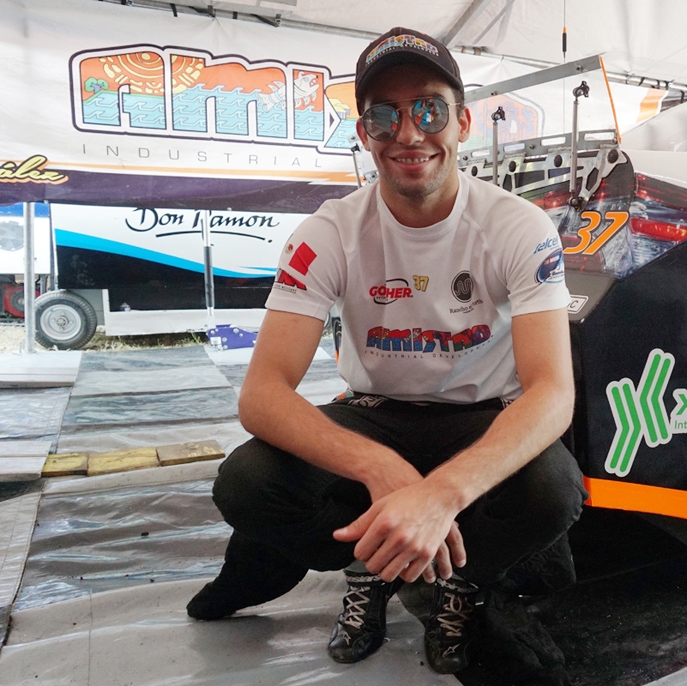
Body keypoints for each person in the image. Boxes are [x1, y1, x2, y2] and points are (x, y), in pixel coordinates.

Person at [186, 26, 588, 675]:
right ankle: (370, 566)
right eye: (383, 115)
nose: (407, 132)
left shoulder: (519, 226)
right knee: (247, 482)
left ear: (461, 123)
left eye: (428, 109)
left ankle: (456, 582)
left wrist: (441, 494)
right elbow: (262, 395)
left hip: (480, 412)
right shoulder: (327, 233)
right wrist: (384, 472)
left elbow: (552, 392)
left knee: (553, 489)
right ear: (364, 132)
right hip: (372, 411)